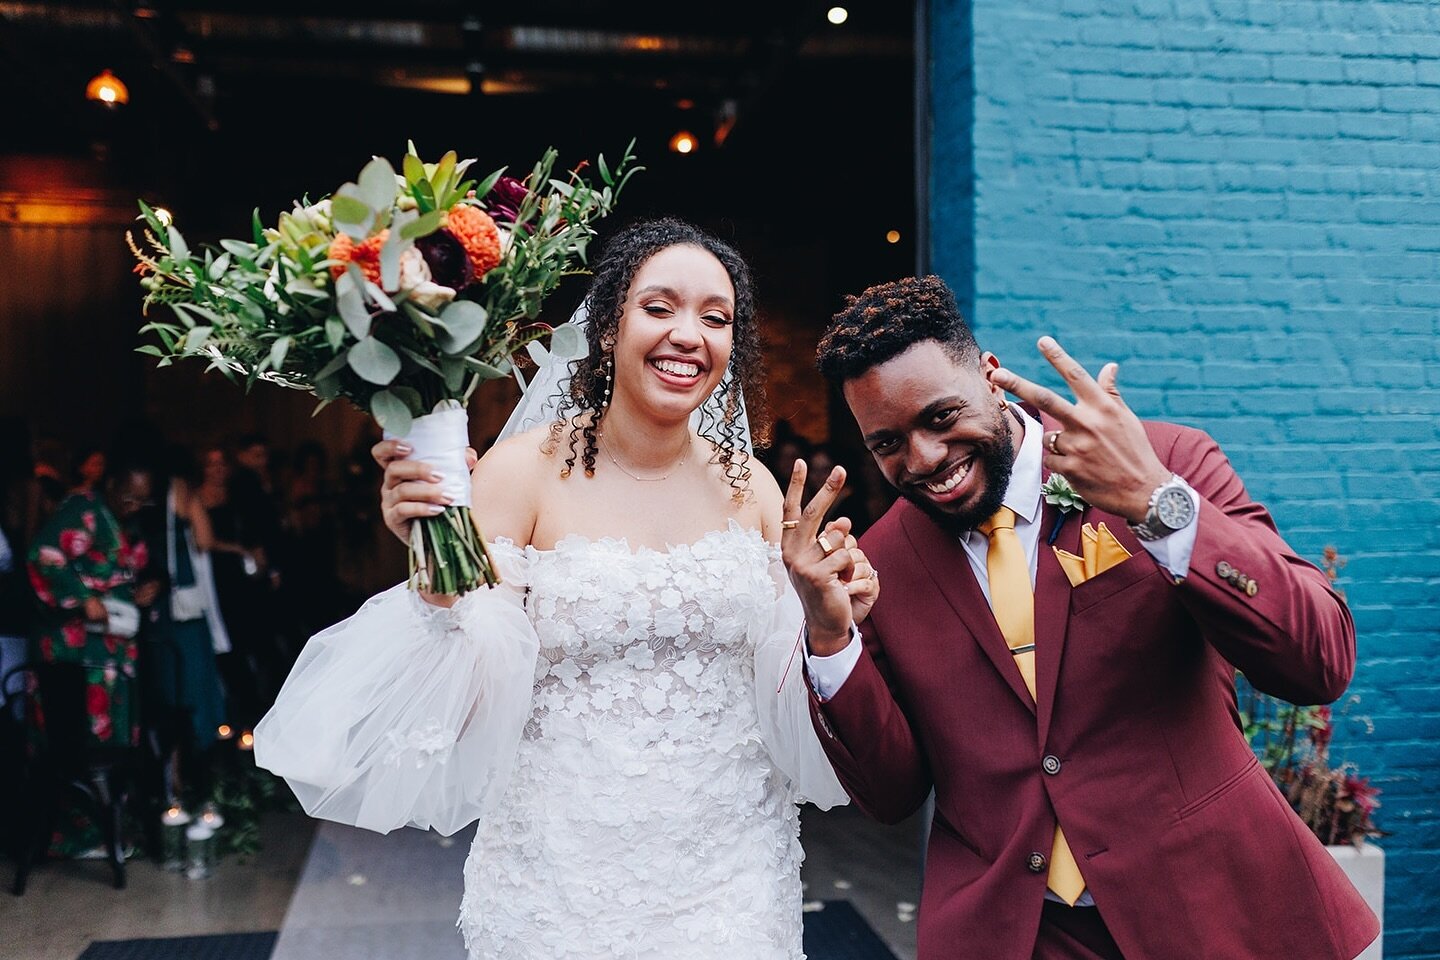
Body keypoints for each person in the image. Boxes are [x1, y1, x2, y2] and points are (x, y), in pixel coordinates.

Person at [255, 218, 875, 960]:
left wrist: (827, 616)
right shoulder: (519, 473)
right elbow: (472, 689)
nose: (689, 335)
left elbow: (782, 689)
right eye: (659, 307)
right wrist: (435, 574)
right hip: (561, 874)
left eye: (716, 318)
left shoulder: (755, 489)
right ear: (607, 329)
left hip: (733, 869)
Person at [787, 276, 1379, 959]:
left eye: (942, 417)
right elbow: (891, 795)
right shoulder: (881, 561)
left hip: (1209, 915)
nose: (923, 459)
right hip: (1016, 935)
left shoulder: (1166, 463)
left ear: (992, 379)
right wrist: (831, 638)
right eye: (887, 444)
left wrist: (1156, 503)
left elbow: (1320, 661)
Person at [25, 461, 160, 855]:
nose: (134, 505)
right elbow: (43, 556)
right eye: (129, 496)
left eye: (142, 500)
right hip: (75, 651)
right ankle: (75, 836)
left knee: (112, 741)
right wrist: (84, 600)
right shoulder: (81, 510)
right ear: (113, 482)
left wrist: (141, 593)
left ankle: (109, 828)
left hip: (113, 650)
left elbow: (120, 573)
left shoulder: (126, 522)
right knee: (75, 741)